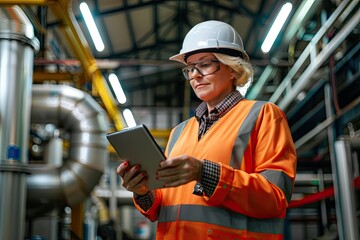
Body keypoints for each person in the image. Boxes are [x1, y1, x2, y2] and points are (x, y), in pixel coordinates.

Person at [117, 20, 297, 239]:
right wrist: (143, 191)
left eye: (205, 65)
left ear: (232, 69)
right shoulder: (179, 132)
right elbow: (162, 207)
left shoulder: (264, 116)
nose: (195, 75)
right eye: (190, 68)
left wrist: (205, 173)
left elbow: (275, 198)